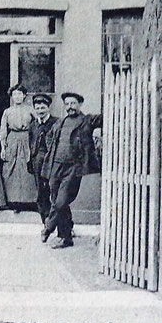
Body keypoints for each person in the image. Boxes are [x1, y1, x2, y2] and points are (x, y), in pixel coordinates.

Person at [41, 92, 103, 249]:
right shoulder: (61, 122)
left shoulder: (87, 120)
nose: (70, 107)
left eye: (73, 103)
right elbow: (49, 138)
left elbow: (107, 117)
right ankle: (66, 237)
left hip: (73, 167)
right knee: (56, 201)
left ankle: (48, 226)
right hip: (56, 166)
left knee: (61, 201)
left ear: (80, 104)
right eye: (67, 104)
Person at [0, 83, 37, 208]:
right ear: (11, 96)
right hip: (12, 140)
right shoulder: (7, 111)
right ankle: (13, 201)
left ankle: (29, 201)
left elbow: (38, 124)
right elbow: (3, 130)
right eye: (14, 94)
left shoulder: (30, 109)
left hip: (27, 139)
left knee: (27, 168)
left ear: (24, 95)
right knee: (11, 169)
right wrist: (3, 147)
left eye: (20, 94)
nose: (17, 97)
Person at [28, 93, 59, 239]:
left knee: (57, 194)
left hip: (52, 162)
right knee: (41, 194)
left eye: (43, 108)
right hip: (37, 162)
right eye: (38, 108)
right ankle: (46, 224)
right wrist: (30, 160)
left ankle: (66, 226)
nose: (40, 110)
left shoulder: (56, 123)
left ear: (48, 108)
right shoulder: (33, 124)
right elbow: (30, 143)